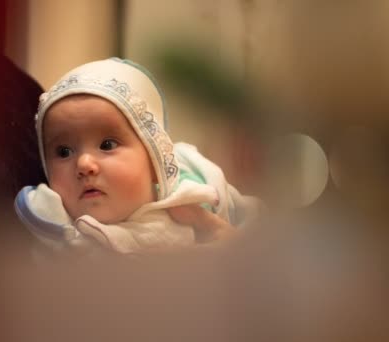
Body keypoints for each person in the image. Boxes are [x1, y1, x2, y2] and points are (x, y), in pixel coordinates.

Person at [15, 57, 261, 255]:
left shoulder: (199, 193)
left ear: (156, 159)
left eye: (107, 144)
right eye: (64, 151)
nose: (84, 164)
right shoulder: (53, 227)